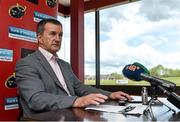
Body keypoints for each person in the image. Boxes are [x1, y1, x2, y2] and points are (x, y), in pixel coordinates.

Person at [15, 18, 133, 117]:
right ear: (40, 38)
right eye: (52, 34)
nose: (58, 39)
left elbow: (81, 88)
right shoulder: (27, 64)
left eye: (60, 35)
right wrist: (77, 100)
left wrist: (110, 95)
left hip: (71, 115)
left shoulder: (64, 65)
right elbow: (36, 99)